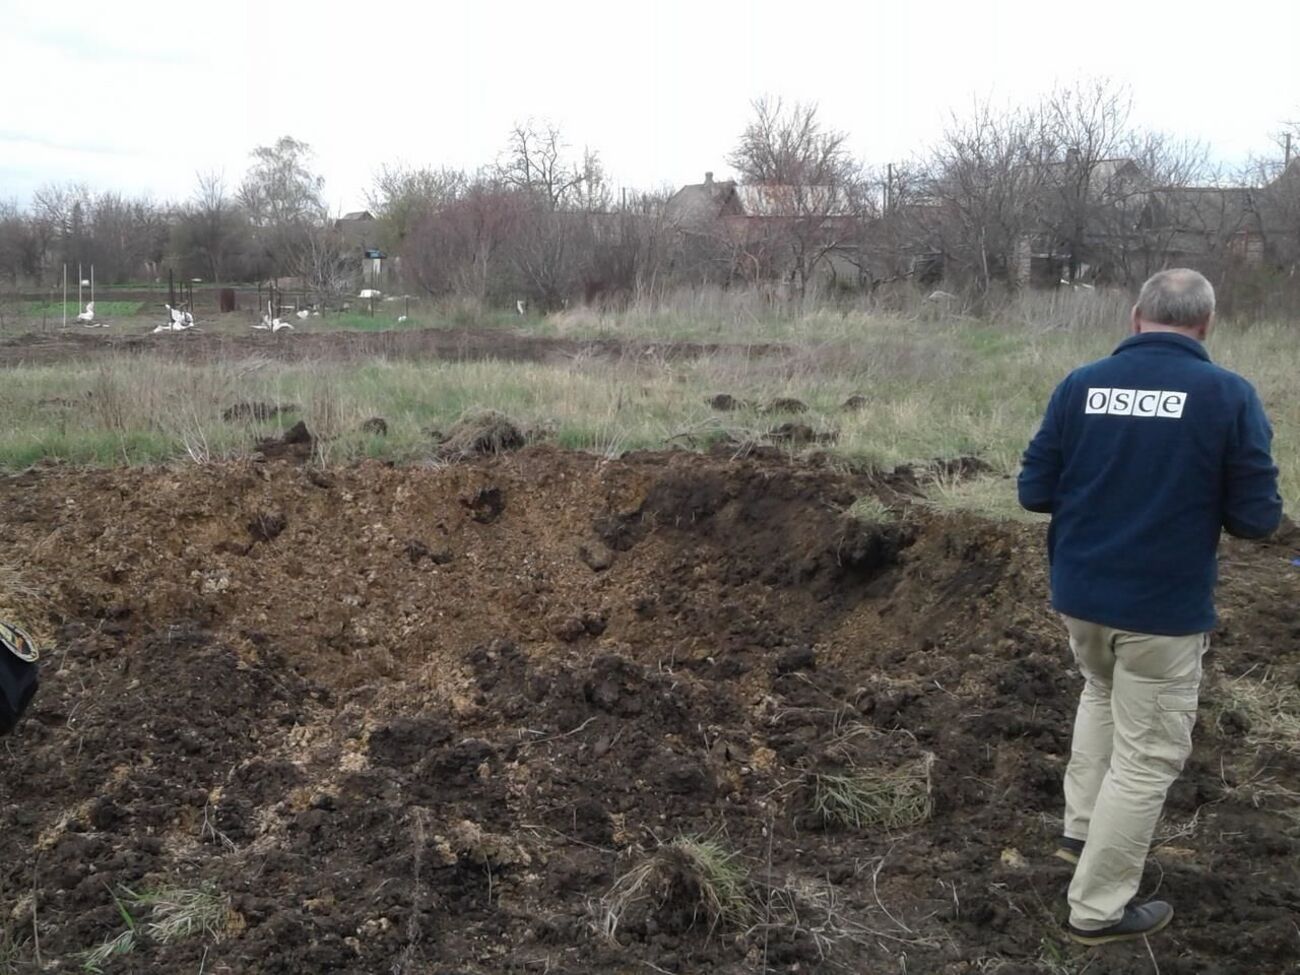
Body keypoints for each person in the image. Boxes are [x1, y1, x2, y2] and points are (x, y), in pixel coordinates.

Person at [1017, 268, 1283, 945]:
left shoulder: (1080, 386)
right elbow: (1257, 519)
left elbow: (1033, 490)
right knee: (1146, 760)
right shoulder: (1228, 395)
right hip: (1160, 610)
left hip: (1081, 597)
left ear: (1137, 316)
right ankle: (1097, 910)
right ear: (1207, 324)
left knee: (1101, 693)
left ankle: (1081, 834)